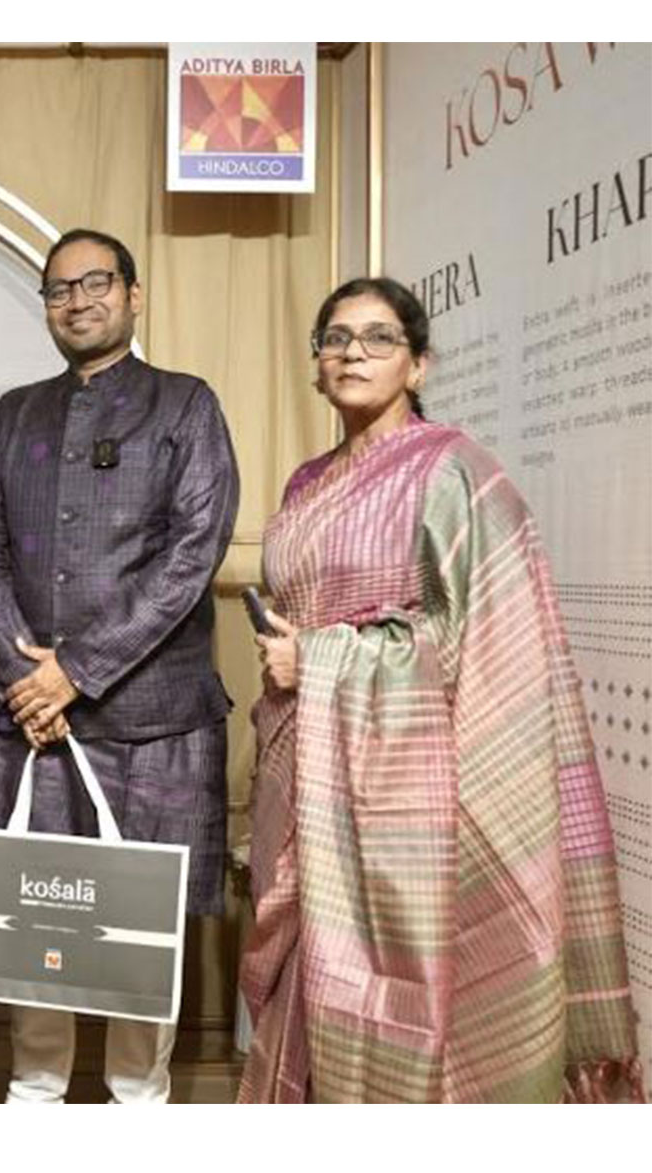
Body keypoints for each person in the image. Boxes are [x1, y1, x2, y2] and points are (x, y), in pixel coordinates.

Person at [238, 277, 642, 1103]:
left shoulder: (456, 472)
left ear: (418, 364)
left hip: (407, 795)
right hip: (305, 766)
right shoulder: (306, 482)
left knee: (411, 991)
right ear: (316, 363)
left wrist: (317, 661)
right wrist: (303, 663)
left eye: (379, 338)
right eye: (335, 337)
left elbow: (492, 641)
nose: (352, 352)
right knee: (309, 989)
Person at [0, 228, 239, 1103]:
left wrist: (74, 670)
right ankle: (33, 1097)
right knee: (32, 912)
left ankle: (137, 1104)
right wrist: (26, 674)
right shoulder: (12, 416)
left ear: (133, 294)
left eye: (95, 283)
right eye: (58, 289)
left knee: (136, 929)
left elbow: (193, 555)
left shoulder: (185, 405)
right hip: (27, 716)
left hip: (152, 715)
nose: (77, 301)